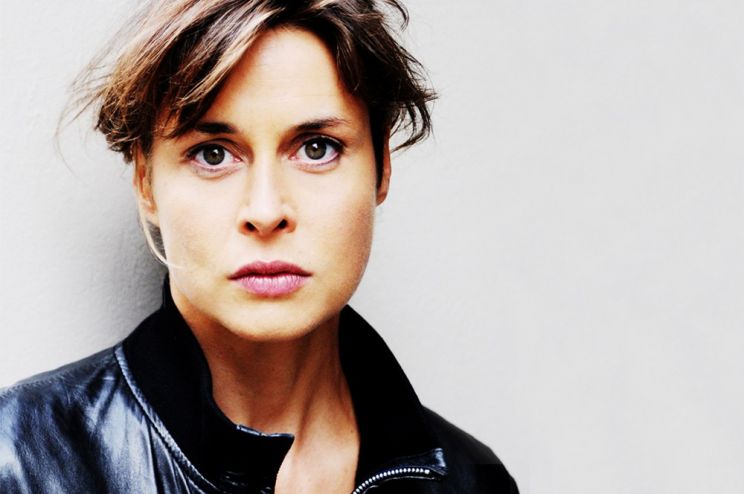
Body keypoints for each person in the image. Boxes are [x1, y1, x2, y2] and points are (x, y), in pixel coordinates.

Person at [0, 0, 518, 492]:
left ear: (381, 167)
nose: (266, 210)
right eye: (212, 154)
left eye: (317, 148)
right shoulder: (20, 460)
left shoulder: (471, 481)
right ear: (145, 181)